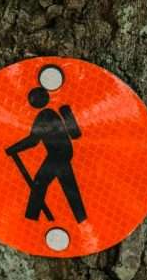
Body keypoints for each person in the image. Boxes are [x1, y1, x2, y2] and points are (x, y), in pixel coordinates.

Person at [6, 86, 87, 223]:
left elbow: (33, 140)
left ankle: (30, 220)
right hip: (64, 153)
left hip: (57, 155)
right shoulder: (53, 112)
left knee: (40, 183)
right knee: (68, 186)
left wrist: (13, 149)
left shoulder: (44, 116)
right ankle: (82, 219)